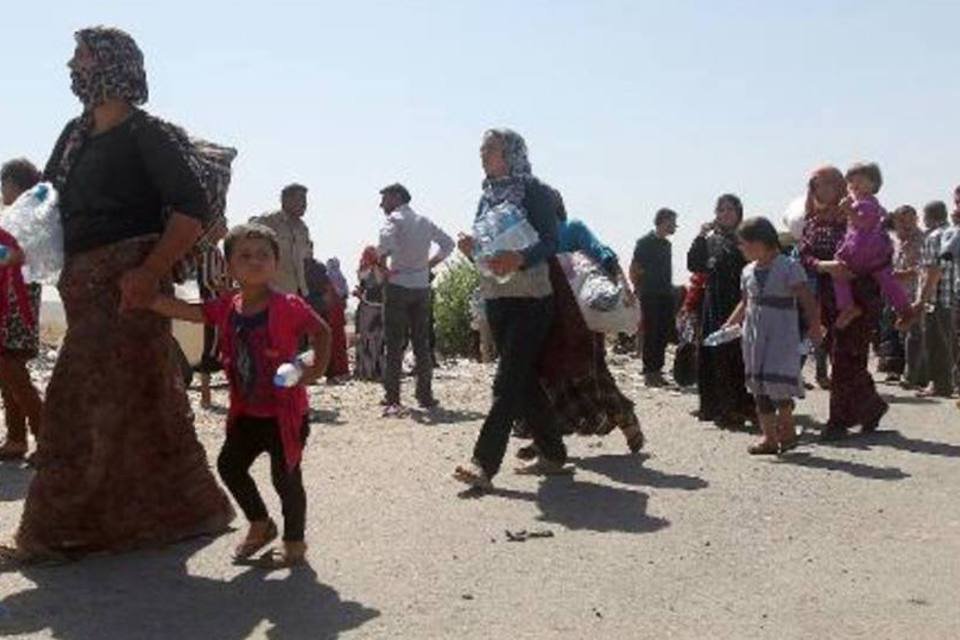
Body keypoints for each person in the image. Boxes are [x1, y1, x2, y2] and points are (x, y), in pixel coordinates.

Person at [3, 27, 234, 563]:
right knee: (147, 402)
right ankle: (189, 511)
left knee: (71, 401)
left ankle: (55, 534)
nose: (72, 67)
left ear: (112, 65)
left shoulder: (145, 135)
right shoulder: (74, 135)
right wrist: (16, 245)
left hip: (130, 289)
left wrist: (151, 272)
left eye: (82, 57)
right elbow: (49, 204)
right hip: (82, 288)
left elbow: (189, 211)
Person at [151, 224, 331, 567]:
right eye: (245, 256)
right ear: (230, 267)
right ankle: (260, 524)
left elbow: (321, 331)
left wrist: (314, 371)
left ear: (275, 264)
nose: (255, 262)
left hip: (284, 414)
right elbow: (192, 312)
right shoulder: (226, 307)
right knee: (229, 466)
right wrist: (151, 300)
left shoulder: (289, 305)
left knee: (286, 477)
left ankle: (294, 544)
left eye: (264, 255)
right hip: (248, 412)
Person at [453, 128, 569, 489]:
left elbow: (551, 241)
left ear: (512, 154)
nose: (484, 155)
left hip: (532, 297)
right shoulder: (486, 195)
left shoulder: (536, 191)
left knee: (506, 381)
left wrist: (519, 256)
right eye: (482, 149)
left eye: (492, 149)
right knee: (523, 380)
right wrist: (474, 248)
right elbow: (489, 248)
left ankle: (483, 463)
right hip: (497, 297)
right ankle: (553, 453)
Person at [517, 202, 644, 458]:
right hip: (548, 322)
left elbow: (604, 254)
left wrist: (624, 287)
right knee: (547, 381)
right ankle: (545, 439)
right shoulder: (531, 240)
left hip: (581, 321)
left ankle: (626, 419)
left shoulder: (572, 229)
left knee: (592, 376)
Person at [799, 166, 889, 440]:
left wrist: (856, 280)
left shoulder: (859, 217)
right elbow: (804, 255)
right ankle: (872, 406)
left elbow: (879, 255)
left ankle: (838, 422)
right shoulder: (812, 222)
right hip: (827, 298)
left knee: (845, 358)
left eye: (829, 185)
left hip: (858, 297)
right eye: (817, 186)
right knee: (844, 356)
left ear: (840, 187)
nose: (823, 191)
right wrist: (825, 266)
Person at [723, 217, 822, 454]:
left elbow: (806, 299)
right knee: (759, 385)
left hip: (781, 333)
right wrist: (729, 325)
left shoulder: (789, 266)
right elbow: (745, 303)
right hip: (754, 335)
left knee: (777, 382)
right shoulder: (747, 271)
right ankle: (768, 437)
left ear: (760, 242)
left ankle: (787, 430)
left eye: (744, 243)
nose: (741, 248)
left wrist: (815, 326)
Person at [377, 183, 454, 415]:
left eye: (385, 198)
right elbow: (448, 244)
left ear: (396, 197)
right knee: (422, 343)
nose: (382, 204)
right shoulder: (424, 221)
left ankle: (393, 396)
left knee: (394, 343)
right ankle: (425, 395)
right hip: (421, 286)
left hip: (398, 285)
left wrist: (383, 269)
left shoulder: (394, 220)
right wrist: (429, 264)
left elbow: (384, 248)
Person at [687, 194, 754, 428]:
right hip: (714, 302)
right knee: (713, 354)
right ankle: (716, 407)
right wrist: (700, 236)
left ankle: (741, 406)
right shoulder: (711, 239)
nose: (725, 214)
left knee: (737, 356)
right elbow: (694, 263)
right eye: (721, 210)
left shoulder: (747, 236)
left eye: (730, 209)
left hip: (741, 301)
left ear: (739, 212)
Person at [0, 158, 45, 461]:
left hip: (19, 299)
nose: (2, 189)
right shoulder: (14, 216)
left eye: (6, 183)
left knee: (10, 368)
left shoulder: (30, 218)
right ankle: (16, 439)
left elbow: (20, 256)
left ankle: (47, 437)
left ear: (19, 185)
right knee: (7, 371)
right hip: (9, 298)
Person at [832, 163, 913, 330]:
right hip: (867, 251)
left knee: (839, 272)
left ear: (874, 185)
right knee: (886, 280)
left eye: (860, 181)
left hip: (865, 251)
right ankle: (904, 310)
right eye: (851, 182)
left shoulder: (868, 203)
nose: (854, 185)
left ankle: (848, 307)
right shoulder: (865, 204)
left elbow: (864, 224)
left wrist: (848, 210)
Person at [912, 201, 956, 398]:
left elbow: (932, 271)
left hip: (937, 298)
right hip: (952, 297)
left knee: (936, 344)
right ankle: (947, 383)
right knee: (950, 343)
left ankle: (939, 384)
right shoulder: (954, 233)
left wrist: (922, 299)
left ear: (928, 216)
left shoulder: (934, 237)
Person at [630, 208, 677, 386]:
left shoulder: (667, 245)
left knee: (663, 332)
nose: (675, 226)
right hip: (649, 293)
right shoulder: (645, 242)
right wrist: (638, 289)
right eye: (672, 222)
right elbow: (635, 268)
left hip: (665, 293)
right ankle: (650, 371)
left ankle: (657, 369)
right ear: (663, 221)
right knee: (652, 331)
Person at [884, 205, 924, 386]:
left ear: (916, 219)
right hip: (895, 293)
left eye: (910, 219)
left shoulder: (924, 240)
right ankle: (895, 369)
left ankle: (915, 374)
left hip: (915, 293)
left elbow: (926, 268)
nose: (906, 224)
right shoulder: (894, 241)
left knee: (914, 334)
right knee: (895, 333)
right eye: (901, 220)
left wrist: (907, 273)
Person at [251, 184, 312, 296]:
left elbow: (306, 259)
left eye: (305, 200)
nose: (304, 205)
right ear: (285, 200)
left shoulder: (303, 229)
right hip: (272, 290)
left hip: (297, 292)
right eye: (300, 199)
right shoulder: (269, 221)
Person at [195, 232, 229, 408]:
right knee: (211, 347)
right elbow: (209, 280)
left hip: (220, 304)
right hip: (213, 303)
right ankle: (205, 395)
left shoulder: (216, 250)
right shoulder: (208, 250)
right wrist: (225, 290)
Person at [354, 246, 387, 381]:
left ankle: (373, 371)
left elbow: (379, 282)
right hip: (369, 306)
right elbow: (363, 281)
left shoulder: (378, 270)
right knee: (369, 340)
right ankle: (369, 371)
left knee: (376, 340)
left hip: (374, 308)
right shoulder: (366, 269)